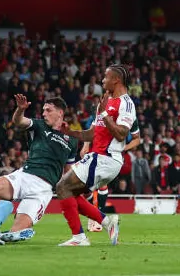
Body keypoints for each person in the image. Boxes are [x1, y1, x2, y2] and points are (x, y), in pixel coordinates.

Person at [0, 95, 77, 243]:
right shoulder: (39, 125)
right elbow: (19, 121)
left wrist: (68, 191)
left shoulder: (72, 140)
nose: (44, 114)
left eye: (48, 110)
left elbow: (68, 170)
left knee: (14, 233)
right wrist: (20, 110)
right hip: (25, 176)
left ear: (60, 113)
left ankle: (4, 233)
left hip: (44, 189)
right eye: (43, 110)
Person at [57, 64, 135, 246]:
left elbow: (122, 134)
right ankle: (108, 223)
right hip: (97, 157)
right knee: (69, 192)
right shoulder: (105, 102)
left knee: (62, 187)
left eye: (106, 77)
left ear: (116, 80)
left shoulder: (126, 103)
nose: (102, 80)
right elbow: (92, 134)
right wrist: (70, 132)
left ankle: (79, 238)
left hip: (106, 158)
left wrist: (105, 113)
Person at [88, 118, 140, 232]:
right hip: (95, 153)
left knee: (101, 184)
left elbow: (137, 140)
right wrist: (85, 146)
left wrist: (124, 148)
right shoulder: (101, 112)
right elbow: (91, 131)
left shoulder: (129, 116)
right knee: (89, 186)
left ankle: (97, 218)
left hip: (111, 158)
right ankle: (95, 217)